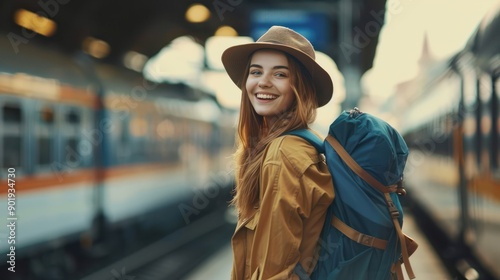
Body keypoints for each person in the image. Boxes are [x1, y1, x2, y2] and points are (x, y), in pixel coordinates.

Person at [221, 26, 335, 279]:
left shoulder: (282, 154)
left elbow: (275, 268)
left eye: (280, 74)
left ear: (300, 87)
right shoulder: (300, 144)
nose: (263, 82)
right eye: (256, 71)